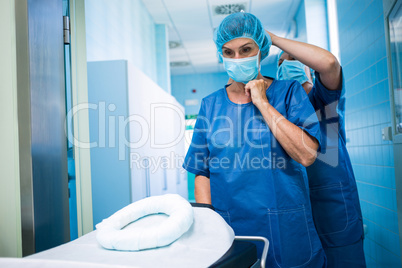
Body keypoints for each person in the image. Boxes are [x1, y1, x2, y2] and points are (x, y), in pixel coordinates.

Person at [182, 12, 327, 267]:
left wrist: (262, 102)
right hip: (231, 230)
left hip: (287, 229)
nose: (237, 59)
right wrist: (208, 228)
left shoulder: (288, 93)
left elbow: (306, 155)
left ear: (261, 49)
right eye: (229, 52)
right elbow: (201, 171)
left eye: (246, 49)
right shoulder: (210, 105)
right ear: (221, 55)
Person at [274, 35, 366, 267]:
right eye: (283, 62)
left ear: (307, 67)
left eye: (294, 58)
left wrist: (273, 40)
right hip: (297, 222)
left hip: (336, 218)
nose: (289, 63)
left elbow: (329, 64)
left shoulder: (325, 102)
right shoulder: (279, 113)